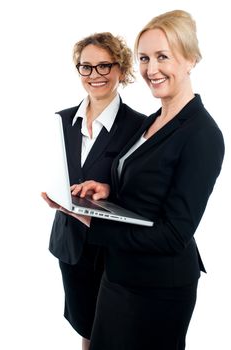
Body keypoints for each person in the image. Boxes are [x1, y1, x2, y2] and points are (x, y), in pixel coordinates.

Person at [70, 10, 225, 350]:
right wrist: (108, 189)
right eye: (144, 58)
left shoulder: (203, 134)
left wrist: (93, 224)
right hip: (121, 274)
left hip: (157, 290)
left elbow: (174, 234)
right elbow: (147, 185)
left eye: (162, 57)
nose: (151, 69)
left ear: (191, 59)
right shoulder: (155, 119)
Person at [41, 32, 146, 350]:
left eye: (104, 66)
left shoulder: (141, 126)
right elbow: (53, 170)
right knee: (87, 327)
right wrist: (54, 193)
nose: (94, 75)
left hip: (117, 247)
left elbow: (147, 190)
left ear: (121, 69)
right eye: (86, 67)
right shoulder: (60, 121)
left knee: (122, 331)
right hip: (72, 244)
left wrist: (109, 190)